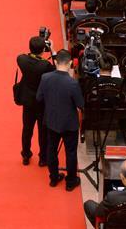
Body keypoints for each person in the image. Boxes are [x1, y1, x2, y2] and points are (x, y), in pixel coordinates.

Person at [37, 50, 84, 191]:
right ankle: (71, 181)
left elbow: (39, 97)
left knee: (51, 149)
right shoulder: (72, 83)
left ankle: (53, 178)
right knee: (70, 152)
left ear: (56, 62)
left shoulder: (45, 78)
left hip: (51, 121)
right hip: (69, 123)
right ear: (70, 63)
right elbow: (80, 104)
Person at [15, 35, 55, 166]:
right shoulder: (45, 65)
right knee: (43, 132)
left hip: (27, 101)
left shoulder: (21, 60)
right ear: (43, 50)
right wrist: (53, 51)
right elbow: (55, 70)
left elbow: (24, 56)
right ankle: (43, 158)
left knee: (27, 130)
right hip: (42, 102)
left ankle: (26, 155)